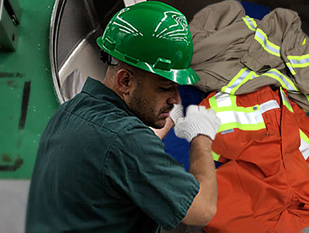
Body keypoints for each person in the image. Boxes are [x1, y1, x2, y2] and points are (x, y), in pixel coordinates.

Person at [25, 2, 220, 232]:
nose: (176, 99)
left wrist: (165, 120)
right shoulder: (125, 141)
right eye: (165, 88)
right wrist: (201, 138)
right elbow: (202, 210)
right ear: (125, 81)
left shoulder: (71, 111)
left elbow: (119, 154)